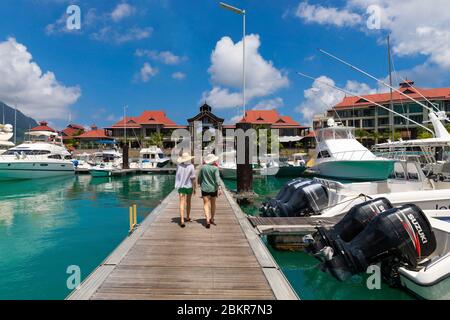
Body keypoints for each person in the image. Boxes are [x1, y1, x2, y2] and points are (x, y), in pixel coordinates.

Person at [198, 154, 222, 229]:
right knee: (213, 204)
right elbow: (217, 179)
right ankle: (212, 219)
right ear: (213, 160)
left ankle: (207, 220)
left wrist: (199, 183)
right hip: (213, 189)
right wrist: (220, 187)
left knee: (206, 204)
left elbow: (199, 178)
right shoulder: (215, 168)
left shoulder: (203, 168)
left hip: (204, 188)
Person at [175, 152, 196, 228]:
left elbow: (177, 176)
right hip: (189, 186)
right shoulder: (191, 166)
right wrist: (195, 187)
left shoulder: (178, 166)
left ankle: (182, 220)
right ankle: (187, 217)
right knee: (188, 202)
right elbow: (193, 178)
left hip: (181, 187)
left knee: (181, 203)